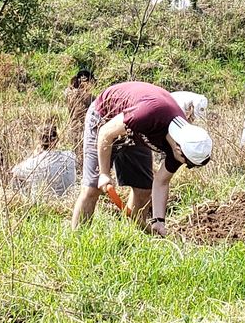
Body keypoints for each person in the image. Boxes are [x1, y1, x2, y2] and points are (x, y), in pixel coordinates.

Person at [68, 81, 214, 235]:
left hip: (137, 132)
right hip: (105, 117)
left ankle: (130, 239)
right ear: (179, 148)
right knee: (92, 188)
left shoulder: (183, 147)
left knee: (143, 189)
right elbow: (105, 132)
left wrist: (159, 221)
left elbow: (161, 181)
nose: (185, 165)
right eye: (188, 163)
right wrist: (104, 174)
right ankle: (77, 240)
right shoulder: (149, 115)